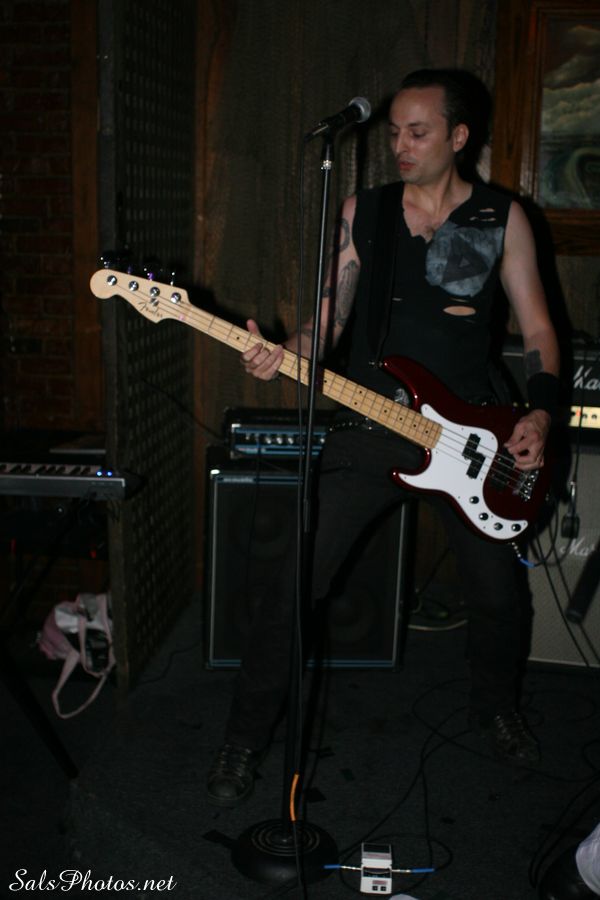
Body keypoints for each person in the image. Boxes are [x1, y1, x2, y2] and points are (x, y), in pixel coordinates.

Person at [206, 69, 560, 807]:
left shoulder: (504, 217)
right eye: (395, 131)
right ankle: (241, 738)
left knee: (498, 596)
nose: (400, 144)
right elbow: (326, 323)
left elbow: (538, 330)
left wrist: (540, 414)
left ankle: (495, 709)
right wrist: (283, 353)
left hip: (474, 439)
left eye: (418, 132)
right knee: (293, 583)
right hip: (372, 427)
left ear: (458, 136)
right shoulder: (361, 212)